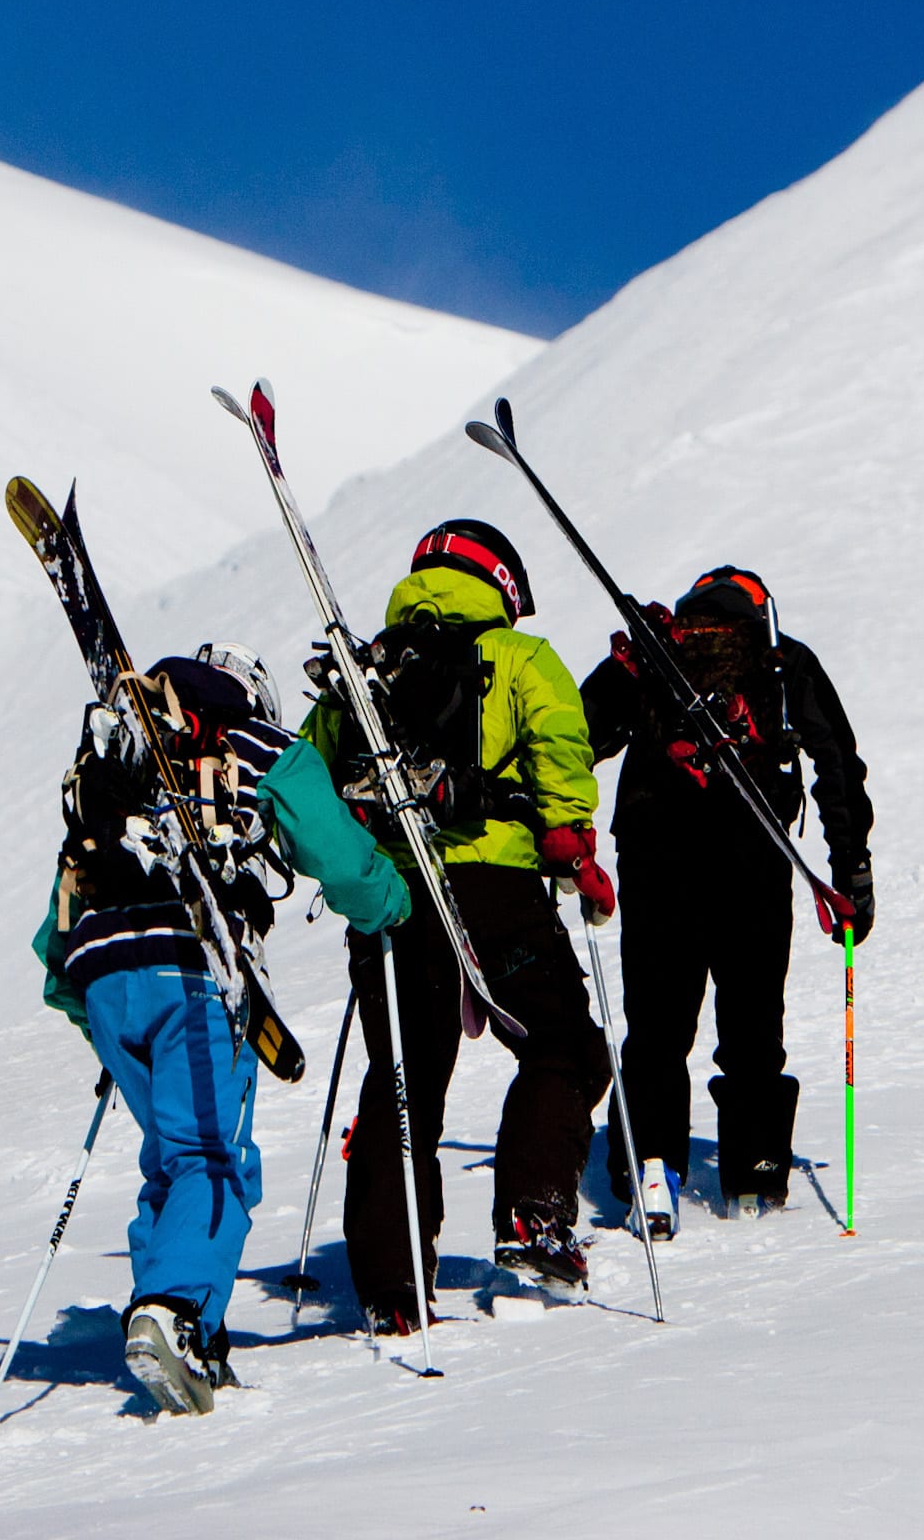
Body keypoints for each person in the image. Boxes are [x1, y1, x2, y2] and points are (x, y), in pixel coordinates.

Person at [32, 643, 408, 1416]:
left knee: (172, 1161)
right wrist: (387, 901)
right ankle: (174, 1311)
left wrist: (95, 1010)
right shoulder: (252, 743)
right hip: (195, 961)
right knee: (214, 1159)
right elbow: (336, 854)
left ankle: (178, 1324)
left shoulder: (126, 763)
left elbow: (55, 934)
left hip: (102, 973)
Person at [307, 519, 612, 1328]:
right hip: (493, 887)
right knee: (562, 1046)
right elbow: (561, 757)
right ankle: (534, 1214)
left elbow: (309, 784)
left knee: (403, 1081)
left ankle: (390, 1283)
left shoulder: (362, 673)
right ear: (503, 583)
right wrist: (574, 845)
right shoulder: (519, 659)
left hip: (393, 893)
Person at [580, 566, 874, 1222]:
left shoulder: (652, 657)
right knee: (752, 1021)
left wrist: (566, 835)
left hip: (657, 854)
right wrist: (851, 871)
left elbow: (573, 737)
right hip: (755, 859)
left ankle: (649, 1168)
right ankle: (755, 1172)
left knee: (657, 1024)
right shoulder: (781, 661)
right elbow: (837, 764)